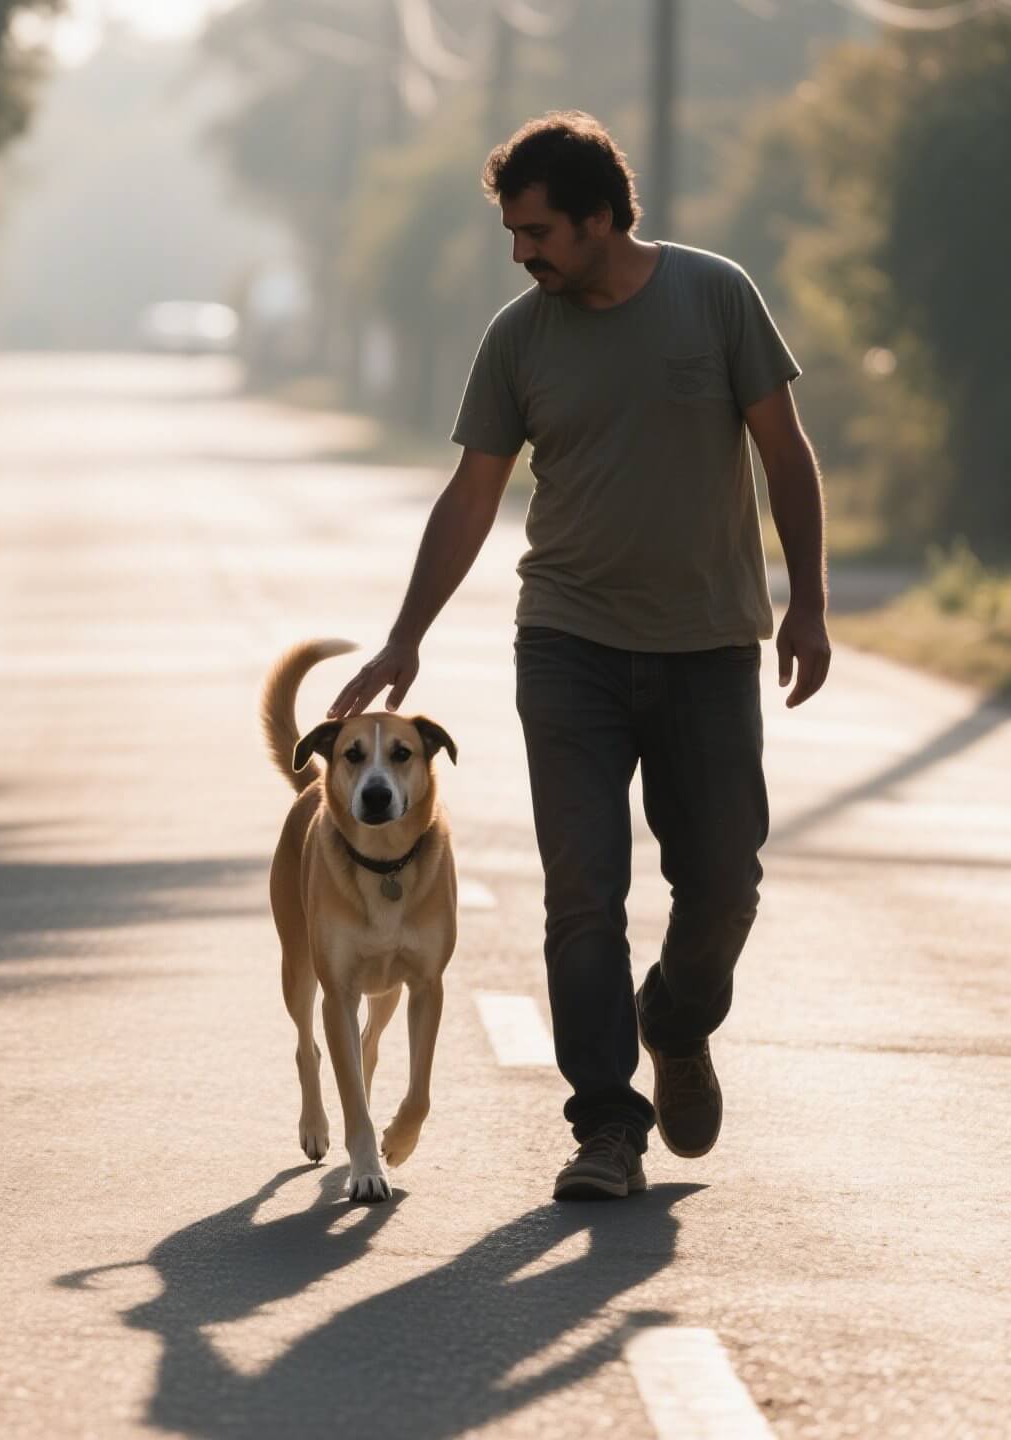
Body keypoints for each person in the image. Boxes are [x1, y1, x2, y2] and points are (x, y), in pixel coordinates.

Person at [324, 111, 832, 1202]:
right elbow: (472, 496)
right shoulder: (519, 338)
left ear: (600, 218)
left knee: (724, 883)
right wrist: (407, 633)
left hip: (707, 644)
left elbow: (784, 453)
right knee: (583, 893)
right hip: (568, 647)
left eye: (538, 232)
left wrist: (810, 602)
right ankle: (605, 1124)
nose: (522, 252)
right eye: (513, 233)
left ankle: (675, 1021)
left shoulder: (716, 296)